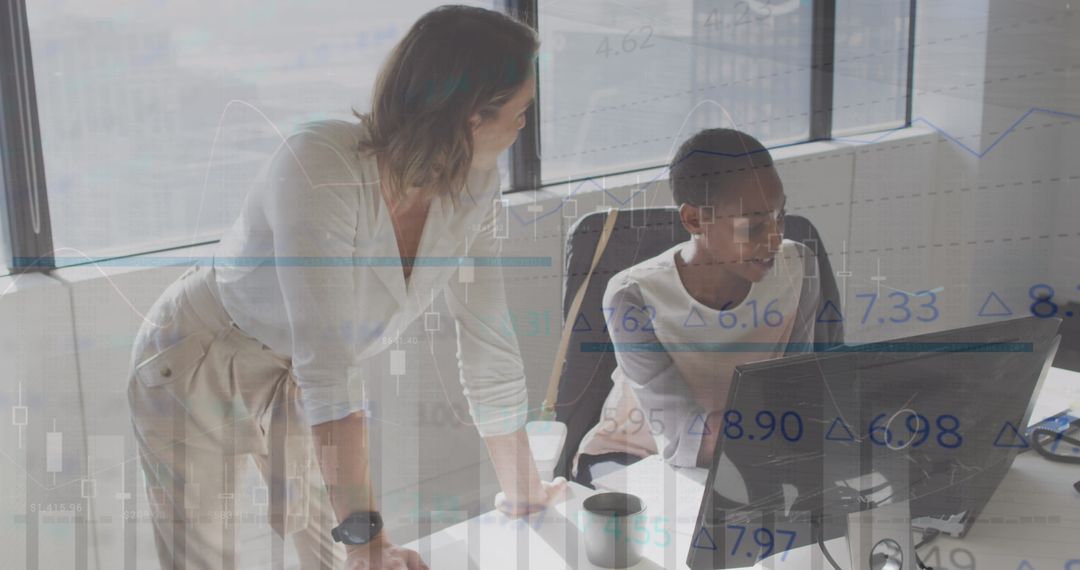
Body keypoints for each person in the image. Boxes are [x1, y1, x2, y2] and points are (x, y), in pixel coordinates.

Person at [127, 6, 565, 569]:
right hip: (200, 360)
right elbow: (329, 371)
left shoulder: (474, 186)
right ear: (470, 117)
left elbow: (488, 339)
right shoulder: (319, 164)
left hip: (296, 376)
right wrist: (372, 542)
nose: (524, 125)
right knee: (208, 559)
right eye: (520, 112)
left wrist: (526, 492)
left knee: (338, 559)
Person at [573, 128, 823, 484]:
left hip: (746, 449)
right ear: (693, 220)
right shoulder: (632, 296)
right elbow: (682, 437)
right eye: (753, 226)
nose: (774, 238)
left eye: (780, 216)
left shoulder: (799, 265)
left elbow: (796, 388)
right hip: (635, 458)